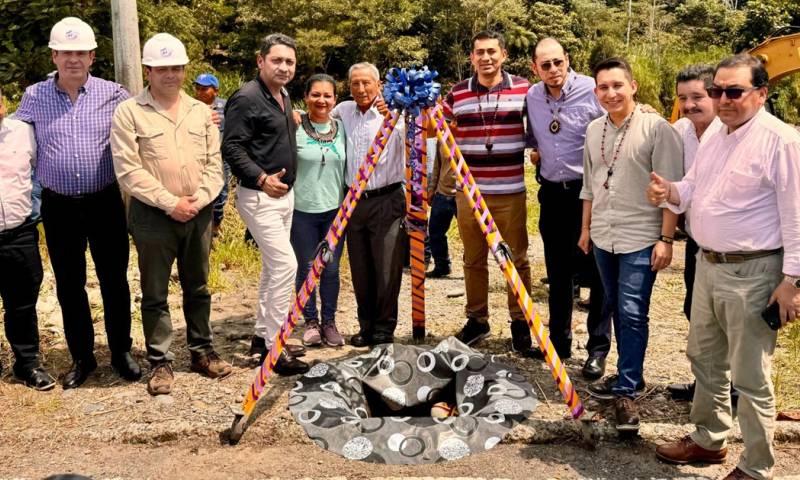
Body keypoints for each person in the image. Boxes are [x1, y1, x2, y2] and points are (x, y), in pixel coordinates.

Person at [650, 54, 800, 480]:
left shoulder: (781, 141)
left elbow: (797, 216)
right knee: (705, 357)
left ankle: (755, 465)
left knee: (751, 375)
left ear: (761, 93)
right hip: (708, 264)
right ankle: (709, 439)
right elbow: (694, 186)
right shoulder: (718, 129)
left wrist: (793, 282)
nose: (723, 99)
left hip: (754, 272)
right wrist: (670, 191)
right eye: (717, 90)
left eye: (734, 91)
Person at [14, 17, 139, 388]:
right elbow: (12, 138)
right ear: (53, 55)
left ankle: (121, 352)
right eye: (66, 52)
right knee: (69, 284)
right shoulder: (33, 97)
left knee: (114, 279)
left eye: (80, 52)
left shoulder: (114, 94)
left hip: (104, 201)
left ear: (92, 56)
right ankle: (83, 358)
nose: (73, 59)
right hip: (59, 206)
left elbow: (146, 123)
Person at [111, 33, 231, 396]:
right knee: (155, 291)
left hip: (198, 211)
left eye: (177, 68)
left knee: (198, 286)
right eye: (162, 68)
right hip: (152, 215)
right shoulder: (129, 112)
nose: (171, 75)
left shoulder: (199, 111)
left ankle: (201, 352)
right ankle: (160, 362)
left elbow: (215, 163)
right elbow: (128, 170)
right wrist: (169, 202)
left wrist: (199, 200)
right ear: (148, 70)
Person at [578, 57, 683, 430]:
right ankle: (630, 375)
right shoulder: (593, 129)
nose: (611, 93)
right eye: (603, 87)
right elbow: (589, 185)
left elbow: (671, 190)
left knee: (633, 312)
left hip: (641, 236)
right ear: (596, 92)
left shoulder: (657, 129)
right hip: (604, 235)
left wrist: (666, 239)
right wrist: (586, 229)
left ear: (633, 86)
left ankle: (626, 391)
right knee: (617, 308)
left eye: (617, 85)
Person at [442, 31, 534, 356]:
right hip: (469, 195)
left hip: (510, 192)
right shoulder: (456, 93)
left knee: (517, 260)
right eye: (479, 52)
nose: (486, 58)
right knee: (473, 260)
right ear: (471, 57)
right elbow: (433, 125)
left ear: (504, 54)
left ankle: (521, 322)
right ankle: (477, 319)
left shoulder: (524, 89)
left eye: (492, 52)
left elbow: (546, 120)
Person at [222, 33, 309, 374]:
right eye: (277, 60)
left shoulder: (282, 94)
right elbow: (231, 147)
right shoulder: (247, 98)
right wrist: (261, 177)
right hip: (260, 195)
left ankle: (262, 337)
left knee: (275, 268)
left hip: (284, 195)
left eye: (289, 62)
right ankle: (274, 346)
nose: (284, 67)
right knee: (287, 265)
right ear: (261, 61)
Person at [525, 37, 610, 378]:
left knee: (599, 275)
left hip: (589, 195)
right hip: (553, 197)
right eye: (545, 65)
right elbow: (533, 139)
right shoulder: (532, 96)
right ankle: (558, 344)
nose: (553, 70)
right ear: (535, 68)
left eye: (558, 62)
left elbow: (623, 118)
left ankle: (597, 350)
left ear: (567, 60)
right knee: (558, 274)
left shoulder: (592, 89)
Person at [333, 62, 406, 347]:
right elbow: (319, 115)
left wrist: (399, 118)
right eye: (355, 84)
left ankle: (384, 328)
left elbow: (421, 140)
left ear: (379, 86)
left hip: (387, 199)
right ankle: (366, 325)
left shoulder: (396, 114)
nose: (361, 89)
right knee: (360, 268)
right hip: (353, 202)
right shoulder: (344, 111)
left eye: (367, 83)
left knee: (387, 267)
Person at [666, 64, 725, 401]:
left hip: (731, 244)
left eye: (697, 97)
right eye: (682, 98)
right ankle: (707, 383)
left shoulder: (729, 133)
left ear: (715, 94)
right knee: (695, 310)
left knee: (727, 318)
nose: (689, 105)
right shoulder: (681, 131)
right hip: (697, 240)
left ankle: (730, 388)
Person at [0, 87, 56, 391]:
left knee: (22, 303)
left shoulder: (23, 132)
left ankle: (27, 364)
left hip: (19, 232)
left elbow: (39, 169)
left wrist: (33, 206)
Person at [290, 74, 347, 347]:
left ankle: (329, 321)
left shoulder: (342, 128)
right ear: (306, 98)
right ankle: (310, 321)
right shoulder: (295, 126)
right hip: (301, 211)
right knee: (307, 266)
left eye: (327, 95)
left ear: (335, 100)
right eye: (316, 95)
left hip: (334, 212)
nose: (321, 100)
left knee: (331, 268)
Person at [193, 73, 229, 237]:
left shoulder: (226, 107)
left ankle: (215, 228)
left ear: (216, 90)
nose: (200, 92)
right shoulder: (190, 107)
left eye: (204, 89)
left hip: (221, 158)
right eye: (198, 88)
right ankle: (202, 230)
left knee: (221, 194)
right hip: (198, 158)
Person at [426, 138, 457, 278]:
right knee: (435, 231)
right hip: (442, 192)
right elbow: (437, 166)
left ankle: (472, 267)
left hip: (463, 194)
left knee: (468, 234)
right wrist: (432, 188)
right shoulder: (442, 138)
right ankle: (442, 265)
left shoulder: (468, 136)